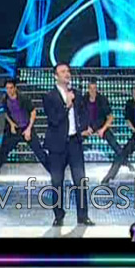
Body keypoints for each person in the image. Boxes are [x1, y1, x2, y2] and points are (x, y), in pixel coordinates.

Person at [43, 63, 95, 227]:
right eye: (63, 71)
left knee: (80, 180)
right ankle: (59, 215)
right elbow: (54, 120)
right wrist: (67, 106)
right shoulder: (49, 96)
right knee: (57, 181)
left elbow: (84, 113)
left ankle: (83, 216)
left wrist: (84, 128)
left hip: (74, 143)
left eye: (68, 71)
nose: (67, 74)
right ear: (56, 76)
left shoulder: (76, 94)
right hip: (57, 145)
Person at [0, 79, 49, 184]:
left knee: (39, 152)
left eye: (11, 88)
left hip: (26, 128)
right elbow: (6, 113)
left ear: (15, 88)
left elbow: (33, 112)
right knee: (3, 152)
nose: (9, 90)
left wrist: (29, 129)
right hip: (14, 130)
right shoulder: (5, 99)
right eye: (7, 88)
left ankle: (53, 172)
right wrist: (11, 124)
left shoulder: (23, 98)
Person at [83, 79, 135, 172]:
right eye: (91, 88)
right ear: (88, 89)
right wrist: (86, 127)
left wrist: (103, 129)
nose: (92, 91)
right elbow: (79, 115)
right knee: (74, 140)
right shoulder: (84, 100)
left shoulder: (102, 99)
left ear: (96, 89)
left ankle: (127, 163)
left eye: (94, 88)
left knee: (114, 143)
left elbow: (111, 117)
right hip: (87, 126)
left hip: (101, 125)